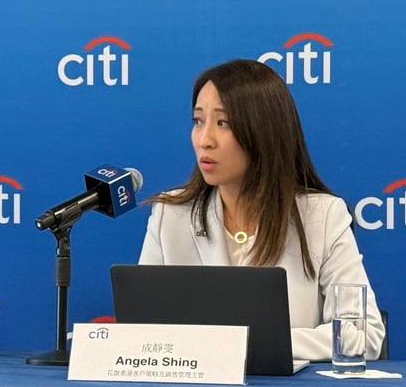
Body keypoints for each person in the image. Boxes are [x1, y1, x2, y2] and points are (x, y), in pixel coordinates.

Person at [138, 58, 384, 362]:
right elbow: (140, 332)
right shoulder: (170, 215)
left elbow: (363, 334)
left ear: (264, 131)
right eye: (198, 121)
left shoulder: (321, 217)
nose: (204, 140)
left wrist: (251, 343)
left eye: (223, 123)